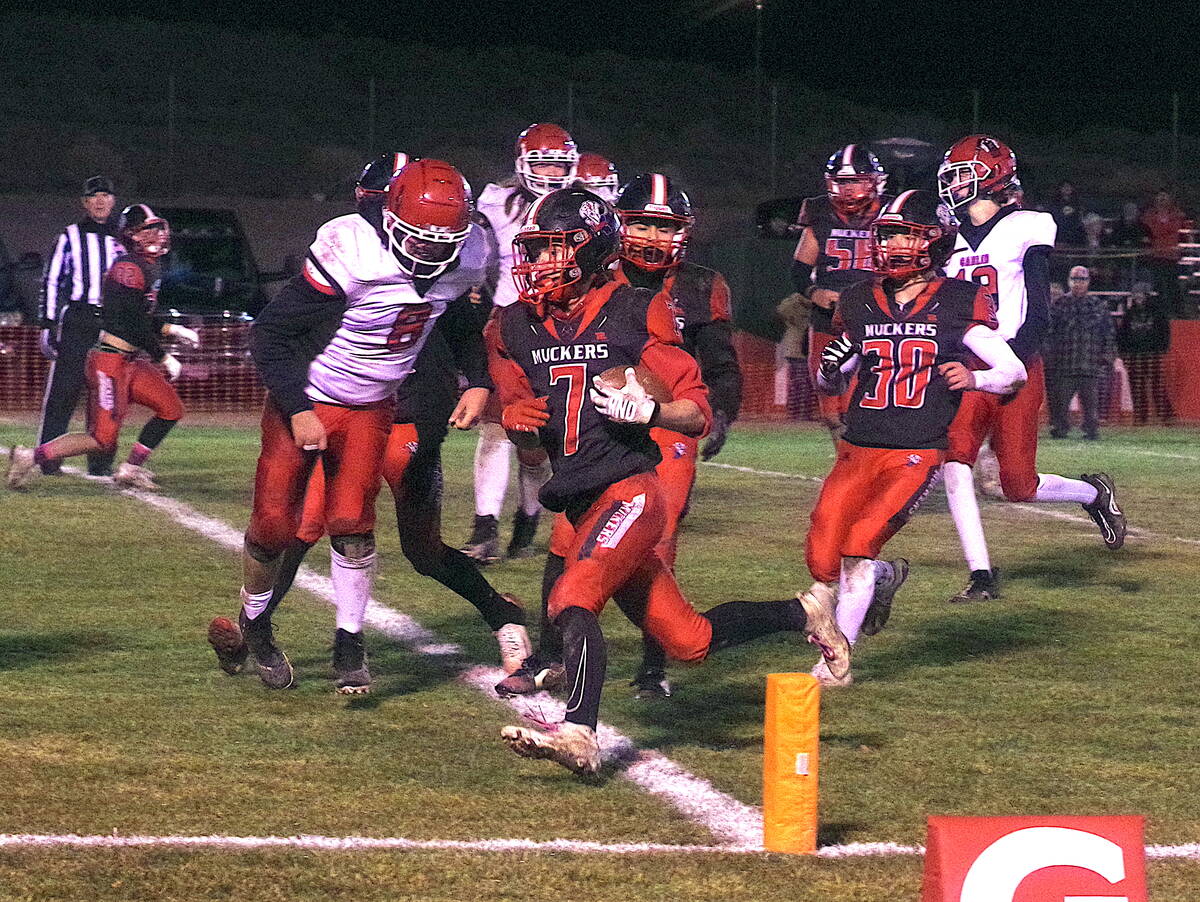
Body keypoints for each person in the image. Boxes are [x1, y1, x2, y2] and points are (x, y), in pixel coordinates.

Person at [486, 187, 847, 774]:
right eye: (535, 249)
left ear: (593, 249)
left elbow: (696, 409)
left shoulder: (634, 309)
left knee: (571, 596)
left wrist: (650, 413)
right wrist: (514, 422)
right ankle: (806, 614)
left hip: (630, 490)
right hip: (581, 501)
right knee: (691, 641)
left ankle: (579, 732)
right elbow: (527, 427)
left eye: (555, 249)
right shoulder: (513, 327)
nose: (541, 263)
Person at [244, 153, 532, 687]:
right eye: (420, 237)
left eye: (444, 240)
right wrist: (299, 407)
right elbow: (270, 333)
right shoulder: (353, 249)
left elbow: (462, 324)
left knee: (361, 525)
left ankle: (352, 643)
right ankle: (254, 628)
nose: (431, 252)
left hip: (383, 406)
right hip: (316, 397)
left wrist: (479, 380)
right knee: (280, 526)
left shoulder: (467, 254)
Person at [498, 172, 744, 700]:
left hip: (664, 420)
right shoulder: (580, 289)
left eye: (665, 226)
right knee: (567, 539)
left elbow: (717, 366)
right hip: (600, 422)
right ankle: (552, 656)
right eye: (642, 224)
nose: (654, 238)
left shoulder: (692, 288)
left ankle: (652, 666)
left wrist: (712, 412)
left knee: (655, 538)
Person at [808, 190, 1027, 685]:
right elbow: (832, 378)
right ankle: (883, 578)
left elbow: (1011, 370)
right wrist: (828, 373)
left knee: (859, 546)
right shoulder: (860, 298)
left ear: (936, 240)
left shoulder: (955, 300)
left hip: (915, 450)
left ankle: (833, 665)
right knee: (822, 559)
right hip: (856, 446)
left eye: (907, 233)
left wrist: (975, 379)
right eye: (889, 233)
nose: (895, 244)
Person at [938, 135, 1127, 603]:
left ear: (992, 176)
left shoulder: (1028, 224)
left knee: (1018, 484)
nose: (955, 183)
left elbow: (1040, 308)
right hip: (968, 362)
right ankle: (981, 574)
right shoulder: (947, 239)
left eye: (964, 173)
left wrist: (1015, 359)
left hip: (1017, 360)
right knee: (956, 460)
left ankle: (1092, 494)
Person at [8, 205, 197, 491]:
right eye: (149, 229)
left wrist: (174, 329)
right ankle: (29, 457)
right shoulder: (127, 269)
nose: (157, 235)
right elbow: (133, 321)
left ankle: (130, 469)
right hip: (110, 362)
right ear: (132, 235)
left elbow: (140, 316)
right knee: (101, 439)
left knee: (170, 408)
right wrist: (163, 356)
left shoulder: (146, 265)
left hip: (131, 361)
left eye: (159, 228)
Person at [463, 123, 579, 564]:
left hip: (561, 326)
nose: (550, 172)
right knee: (495, 428)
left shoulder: (586, 205)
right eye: (542, 162)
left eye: (557, 163)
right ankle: (484, 527)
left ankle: (529, 517)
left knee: (536, 438)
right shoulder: (495, 203)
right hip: (505, 324)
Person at [790, 144, 890, 445]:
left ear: (873, 181)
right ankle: (849, 464)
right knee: (831, 410)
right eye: (843, 182)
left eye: (856, 181)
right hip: (827, 319)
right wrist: (813, 291)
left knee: (863, 404)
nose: (848, 189)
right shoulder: (819, 212)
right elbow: (798, 268)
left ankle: (864, 466)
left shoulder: (891, 212)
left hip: (875, 316)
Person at [36, 175, 122, 476]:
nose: (100, 201)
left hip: (112, 321)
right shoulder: (70, 235)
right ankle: (47, 459)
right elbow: (52, 280)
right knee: (64, 392)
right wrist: (47, 324)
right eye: (93, 196)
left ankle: (100, 463)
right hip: (79, 319)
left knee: (107, 394)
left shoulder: (123, 238)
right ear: (85, 203)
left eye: (105, 196)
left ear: (113, 201)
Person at [1046, 266, 1116, 440]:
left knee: (1092, 403)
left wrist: (1108, 355)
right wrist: (1050, 357)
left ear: (1088, 282)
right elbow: (1049, 333)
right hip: (1064, 364)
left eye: (1082, 280)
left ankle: (1091, 430)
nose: (1078, 283)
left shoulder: (1098, 305)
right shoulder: (1059, 304)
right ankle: (1060, 428)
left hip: (1090, 364)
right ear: (1069, 281)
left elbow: (1108, 333)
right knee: (1060, 402)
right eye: (1075, 279)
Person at [1116, 282, 1174, 426]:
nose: (1138, 297)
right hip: (1134, 356)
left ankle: (1166, 416)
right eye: (1135, 295)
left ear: (1147, 295)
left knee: (1157, 386)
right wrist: (1123, 353)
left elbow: (1164, 332)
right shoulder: (1129, 314)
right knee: (1137, 387)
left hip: (1152, 355)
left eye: (1141, 294)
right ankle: (1141, 417)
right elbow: (1122, 335)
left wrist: (1162, 348)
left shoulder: (1157, 312)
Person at [1139, 189, 1187, 317]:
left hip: (1172, 257)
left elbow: (1179, 233)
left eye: (1165, 197)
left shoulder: (1177, 215)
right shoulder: (1148, 216)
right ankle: (1159, 315)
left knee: (1174, 287)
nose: (1162, 200)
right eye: (1160, 197)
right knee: (1158, 287)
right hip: (1156, 257)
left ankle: (1179, 316)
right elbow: (1149, 233)